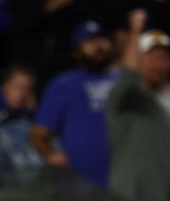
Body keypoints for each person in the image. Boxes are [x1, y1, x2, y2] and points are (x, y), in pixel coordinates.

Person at [106, 11, 170, 201]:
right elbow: (128, 75)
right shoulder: (127, 99)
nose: (159, 65)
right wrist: (135, 31)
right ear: (138, 60)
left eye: (164, 58)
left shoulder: (169, 102)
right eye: (152, 57)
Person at [29, 20, 117, 188]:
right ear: (76, 52)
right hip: (79, 184)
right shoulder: (63, 85)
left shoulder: (123, 81)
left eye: (101, 40)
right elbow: (38, 134)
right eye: (90, 42)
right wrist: (50, 155)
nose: (98, 46)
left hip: (125, 181)